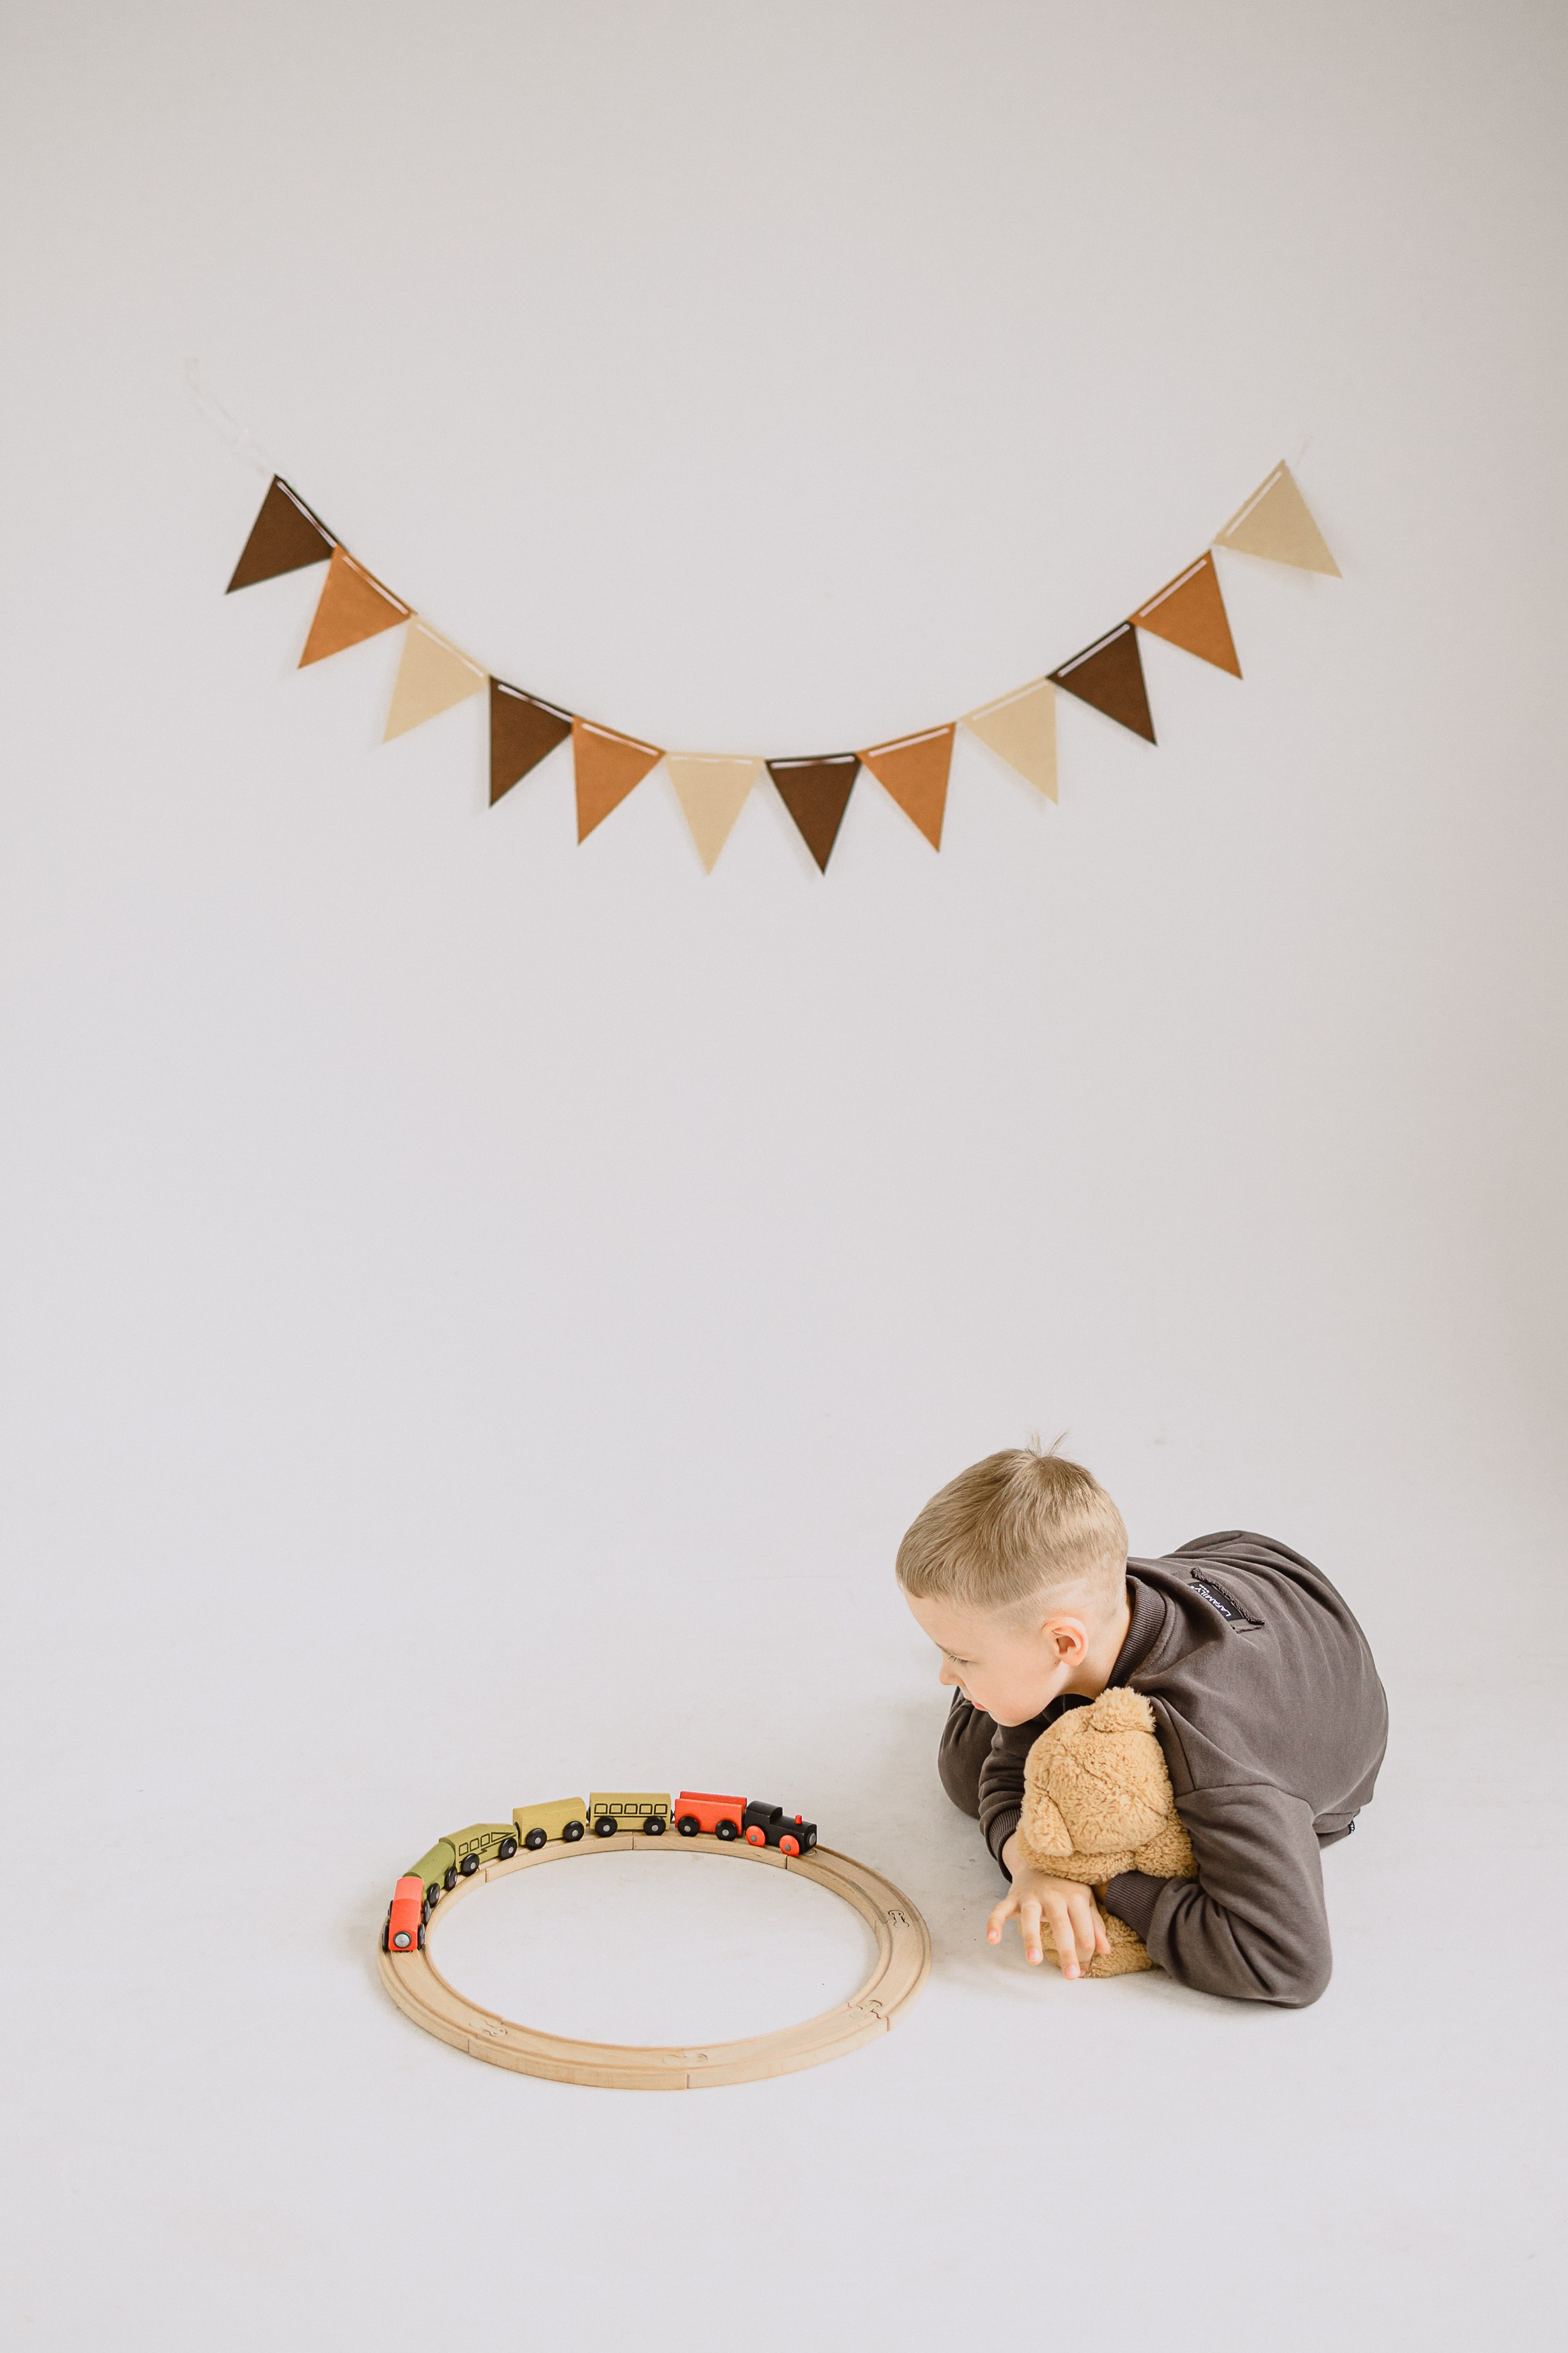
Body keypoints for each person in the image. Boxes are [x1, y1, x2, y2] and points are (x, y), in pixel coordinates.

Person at [899, 1445, 1387, 2005]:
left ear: (1064, 1644)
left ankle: (1000, 1671)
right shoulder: (1091, 1624)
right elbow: (1005, 1781)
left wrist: (1107, 1884)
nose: (941, 1675)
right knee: (971, 1771)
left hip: (1293, 1698)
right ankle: (998, 1665)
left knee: (962, 1765)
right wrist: (1032, 1866)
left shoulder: (1212, 1750)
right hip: (1236, 1564)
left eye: (959, 1657)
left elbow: (1285, 1962)